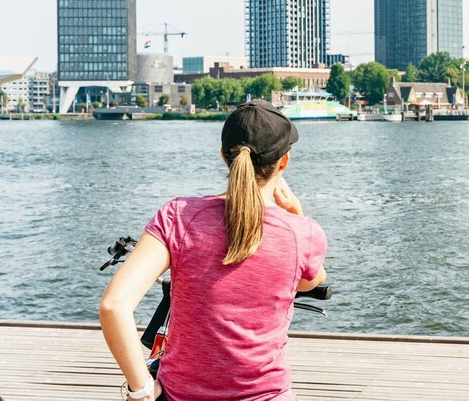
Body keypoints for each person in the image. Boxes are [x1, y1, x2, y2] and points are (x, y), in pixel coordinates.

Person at [100, 101, 327, 401]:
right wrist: (296, 215)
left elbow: (114, 306)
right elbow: (311, 282)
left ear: (224, 156)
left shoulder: (177, 217)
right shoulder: (303, 233)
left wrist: (141, 390)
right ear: (284, 162)